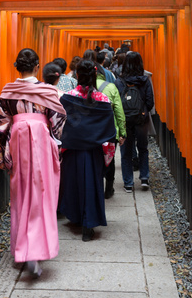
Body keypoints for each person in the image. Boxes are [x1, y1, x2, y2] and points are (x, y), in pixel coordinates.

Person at [0, 48, 67, 278]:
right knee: (42, 192)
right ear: (37, 66)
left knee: (20, 193)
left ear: (18, 67)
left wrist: (3, 146)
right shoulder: (48, 91)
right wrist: (55, 140)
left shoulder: (8, 91)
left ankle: (22, 248)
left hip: (18, 139)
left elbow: (1, 122)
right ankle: (35, 250)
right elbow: (58, 120)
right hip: (41, 139)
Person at [58, 60, 116, 242]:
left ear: (77, 76)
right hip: (94, 152)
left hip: (73, 151)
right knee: (92, 185)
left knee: (73, 184)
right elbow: (109, 132)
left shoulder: (67, 98)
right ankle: (88, 223)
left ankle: (75, 216)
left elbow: (60, 127)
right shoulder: (103, 100)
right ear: (95, 76)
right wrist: (108, 154)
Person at [114, 51, 154, 193]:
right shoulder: (145, 80)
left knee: (126, 152)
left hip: (125, 120)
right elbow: (150, 102)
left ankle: (129, 183)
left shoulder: (119, 81)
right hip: (141, 120)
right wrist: (142, 111)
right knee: (143, 149)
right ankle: (144, 178)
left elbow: (116, 102)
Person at [96, 62, 126, 199]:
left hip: (91, 131)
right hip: (109, 130)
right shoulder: (111, 87)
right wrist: (122, 132)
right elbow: (119, 111)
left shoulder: (82, 88)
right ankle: (109, 188)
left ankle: (95, 187)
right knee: (110, 159)